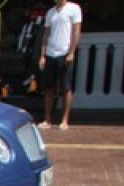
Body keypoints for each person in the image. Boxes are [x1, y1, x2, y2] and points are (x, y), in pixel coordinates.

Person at [39, 0, 82, 129]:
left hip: (65, 53)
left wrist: (72, 52)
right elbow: (46, 35)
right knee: (48, 88)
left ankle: (65, 120)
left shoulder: (74, 9)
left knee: (66, 87)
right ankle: (47, 119)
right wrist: (42, 55)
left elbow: (76, 31)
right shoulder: (50, 12)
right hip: (51, 53)